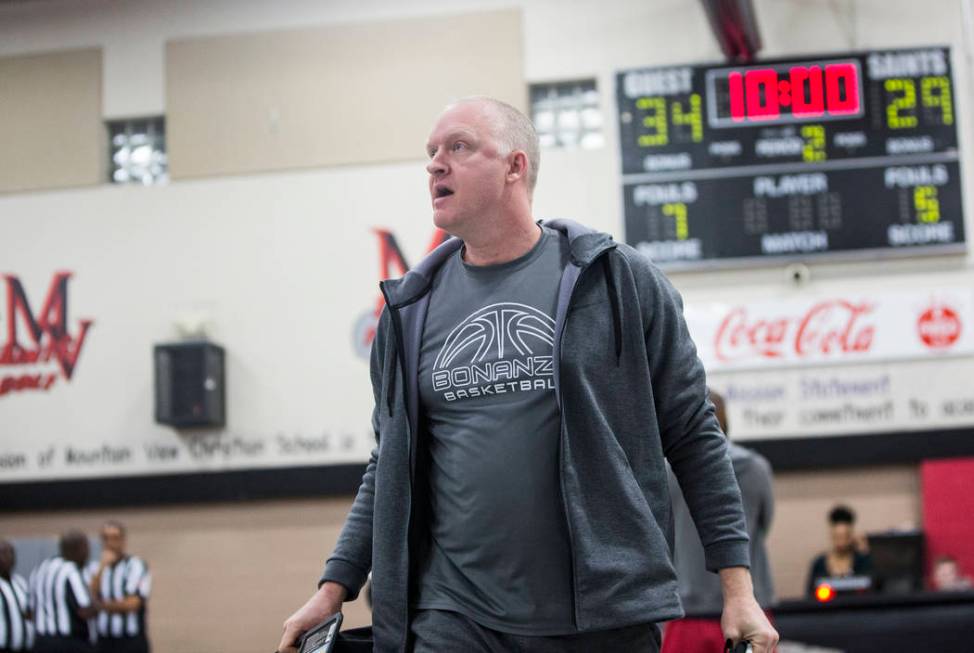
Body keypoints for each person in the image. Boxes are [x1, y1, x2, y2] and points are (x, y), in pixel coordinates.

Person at [278, 97, 778, 653]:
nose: (435, 164)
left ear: (515, 166)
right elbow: (387, 463)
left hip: (602, 616)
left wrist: (739, 589)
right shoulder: (408, 308)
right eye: (431, 153)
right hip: (452, 616)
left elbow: (694, 436)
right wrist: (334, 586)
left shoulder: (617, 280)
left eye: (459, 147)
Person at [662, 390, 775, 653]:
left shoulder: (667, 473)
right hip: (748, 608)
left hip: (689, 611)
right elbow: (764, 525)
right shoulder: (756, 467)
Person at [86, 521, 152, 653]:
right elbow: (89, 597)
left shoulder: (136, 565)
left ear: (123, 541)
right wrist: (102, 567)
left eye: (115, 538)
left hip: (131, 640)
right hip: (104, 640)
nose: (110, 543)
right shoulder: (94, 567)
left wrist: (100, 606)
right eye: (106, 538)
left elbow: (132, 604)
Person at [29, 530, 97, 653]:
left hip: (41, 641)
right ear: (78, 549)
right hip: (68, 642)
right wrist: (102, 606)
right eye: (86, 547)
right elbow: (84, 610)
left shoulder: (40, 568)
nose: (88, 553)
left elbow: (30, 610)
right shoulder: (71, 571)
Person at [805, 505, 872, 597]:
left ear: (851, 536)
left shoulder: (863, 562)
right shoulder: (819, 564)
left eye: (845, 537)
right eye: (837, 537)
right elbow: (809, 596)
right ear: (831, 536)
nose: (841, 543)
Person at [0, 539, 33, 652]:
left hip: (25, 647)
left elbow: (28, 613)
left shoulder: (20, 582)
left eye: (11, 553)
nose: (9, 557)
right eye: (3, 553)